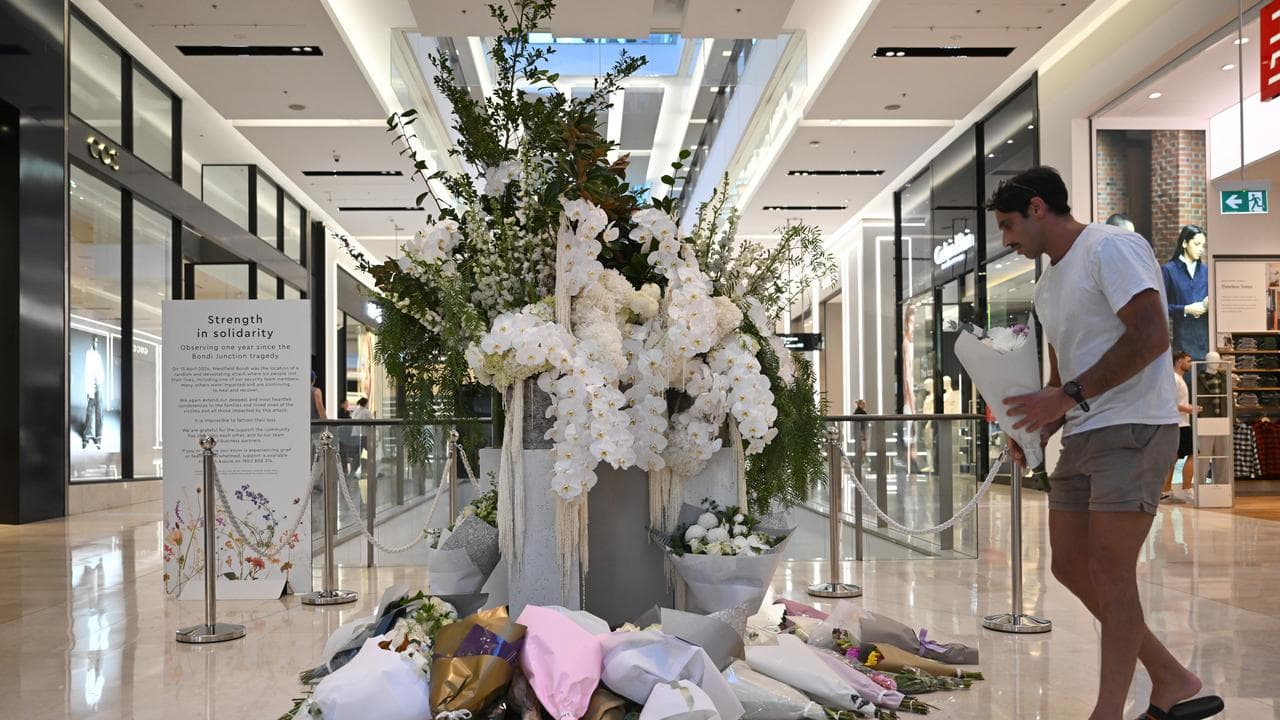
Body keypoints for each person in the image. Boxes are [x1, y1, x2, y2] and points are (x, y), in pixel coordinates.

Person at [989, 166, 1212, 720]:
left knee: (1112, 571)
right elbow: (1063, 373)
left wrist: (1066, 398)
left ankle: (1108, 711)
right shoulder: (1046, 287)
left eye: (1009, 225)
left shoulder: (1110, 247)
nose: (1006, 240)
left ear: (1039, 209)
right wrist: (1039, 426)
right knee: (1068, 564)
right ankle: (1171, 677)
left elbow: (1152, 337)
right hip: (1087, 430)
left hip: (1135, 425)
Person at [1161, 225, 1210, 369]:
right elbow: (1161, 306)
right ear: (1184, 243)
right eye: (1196, 244)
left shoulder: (1207, 271)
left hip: (1205, 340)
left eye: (1203, 245)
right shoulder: (1169, 270)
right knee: (1184, 387)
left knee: (1204, 386)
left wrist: (1210, 302)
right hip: (1181, 342)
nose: (1201, 249)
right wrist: (1185, 309)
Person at [1162, 351, 1199, 503]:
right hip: (1179, 424)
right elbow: (1168, 402)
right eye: (1188, 361)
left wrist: (1188, 407)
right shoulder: (1174, 379)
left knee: (1173, 457)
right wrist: (1188, 409)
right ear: (1179, 361)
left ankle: (1166, 490)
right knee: (1194, 454)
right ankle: (1186, 489)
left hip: (1178, 423)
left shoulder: (1178, 379)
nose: (1190, 364)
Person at [83, 336, 105, 449]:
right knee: (89, 412)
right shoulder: (88, 354)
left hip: (99, 388)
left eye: (98, 342)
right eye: (95, 341)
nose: (96, 343)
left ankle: (98, 438)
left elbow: (101, 371)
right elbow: (87, 372)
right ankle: (86, 437)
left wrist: (100, 382)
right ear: (92, 341)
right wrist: (88, 390)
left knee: (99, 413)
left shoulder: (99, 356)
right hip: (91, 387)